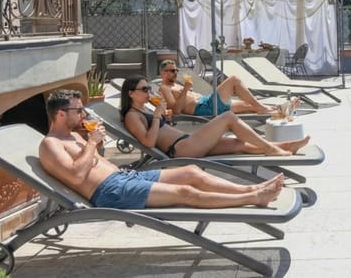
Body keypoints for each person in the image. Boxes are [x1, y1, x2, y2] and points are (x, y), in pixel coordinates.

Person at [38, 90, 284, 209]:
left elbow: (91, 162)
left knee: (191, 171)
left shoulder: (72, 135)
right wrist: (92, 142)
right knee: (184, 191)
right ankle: (253, 198)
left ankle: (252, 187)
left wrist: (94, 143)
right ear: (60, 114)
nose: (83, 114)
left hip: (124, 177)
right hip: (110, 191)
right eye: (78, 110)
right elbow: (77, 175)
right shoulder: (51, 144)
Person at [121, 76, 310, 158]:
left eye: (148, 88)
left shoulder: (144, 109)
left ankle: (286, 146)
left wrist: (162, 117)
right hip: (181, 148)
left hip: (188, 142)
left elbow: (159, 130)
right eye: (144, 89)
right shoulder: (132, 116)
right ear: (131, 93)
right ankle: (272, 149)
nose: (148, 91)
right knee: (228, 117)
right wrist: (156, 117)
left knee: (238, 143)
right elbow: (148, 142)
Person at [158, 59, 276, 116]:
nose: (176, 73)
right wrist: (185, 89)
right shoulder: (164, 88)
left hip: (206, 101)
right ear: (163, 73)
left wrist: (186, 89)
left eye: (176, 70)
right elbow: (176, 111)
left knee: (249, 106)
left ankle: (277, 109)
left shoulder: (175, 84)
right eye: (172, 71)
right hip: (203, 107)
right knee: (234, 79)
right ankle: (262, 107)